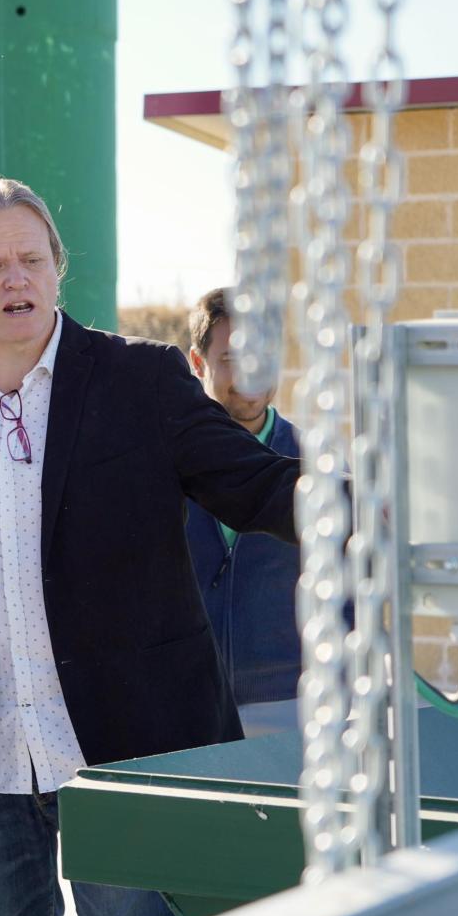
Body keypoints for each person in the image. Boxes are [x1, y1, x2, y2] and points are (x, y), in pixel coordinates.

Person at [0, 178, 301, 916]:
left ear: (57, 267)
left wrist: (378, 503)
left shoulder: (143, 379)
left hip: (129, 756)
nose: (14, 280)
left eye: (30, 260)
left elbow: (256, 484)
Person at [184, 287, 304, 736]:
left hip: (291, 705)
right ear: (198, 363)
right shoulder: (163, 463)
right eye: (232, 358)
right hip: (189, 702)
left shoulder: (316, 463)